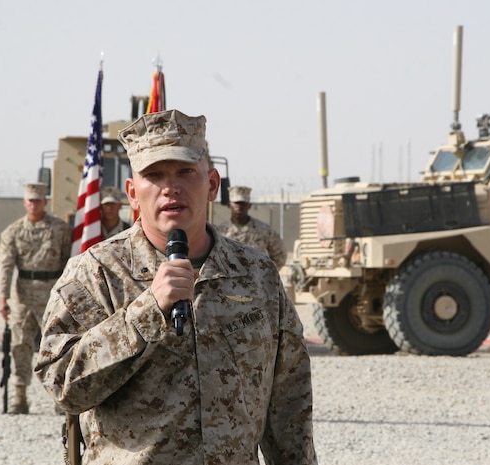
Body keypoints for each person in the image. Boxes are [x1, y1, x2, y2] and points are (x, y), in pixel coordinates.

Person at [35, 109, 318, 464]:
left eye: (186, 171)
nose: (171, 187)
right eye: (154, 175)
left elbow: (289, 404)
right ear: (132, 193)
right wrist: (146, 312)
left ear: (212, 184)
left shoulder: (256, 274)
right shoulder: (96, 273)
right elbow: (62, 385)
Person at [0, 182, 72, 414]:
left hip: (51, 293)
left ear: (44, 202)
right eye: (30, 200)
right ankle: (20, 397)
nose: (34, 204)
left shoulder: (60, 229)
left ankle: (59, 397)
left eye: (38, 200)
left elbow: (68, 262)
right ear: (24, 202)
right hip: (23, 295)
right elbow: (6, 266)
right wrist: (3, 297)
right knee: (20, 345)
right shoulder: (13, 232)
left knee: (55, 346)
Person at [216, 185, 287, 269]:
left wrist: (267, 274)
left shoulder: (264, 230)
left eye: (243, 203)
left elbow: (280, 256)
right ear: (229, 205)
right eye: (236, 203)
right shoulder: (220, 232)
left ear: (249, 205)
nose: (239, 206)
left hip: (257, 280)